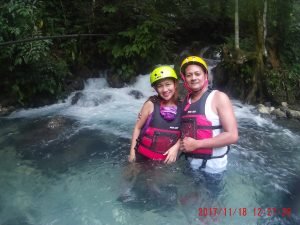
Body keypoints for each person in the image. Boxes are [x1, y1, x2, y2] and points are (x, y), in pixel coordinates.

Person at [179, 56, 239, 174]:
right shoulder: (184, 102)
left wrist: (197, 144)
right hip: (188, 164)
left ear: (205, 75)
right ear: (184, 78)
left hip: (212, 169)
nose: (193, 78)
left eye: (197, 74)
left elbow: (232, 136)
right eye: (189, 75)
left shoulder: (219, 98)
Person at [128, 65, 181, 164]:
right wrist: (132, 154)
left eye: (168, 84)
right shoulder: (150, 104)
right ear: (156, 89)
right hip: (142, 157)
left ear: (175, 84)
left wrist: (176, 146)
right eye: (160, 86)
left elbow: (186, 133)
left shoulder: (183, 107)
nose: (165, 90)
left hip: (166, 162)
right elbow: (137, 128)